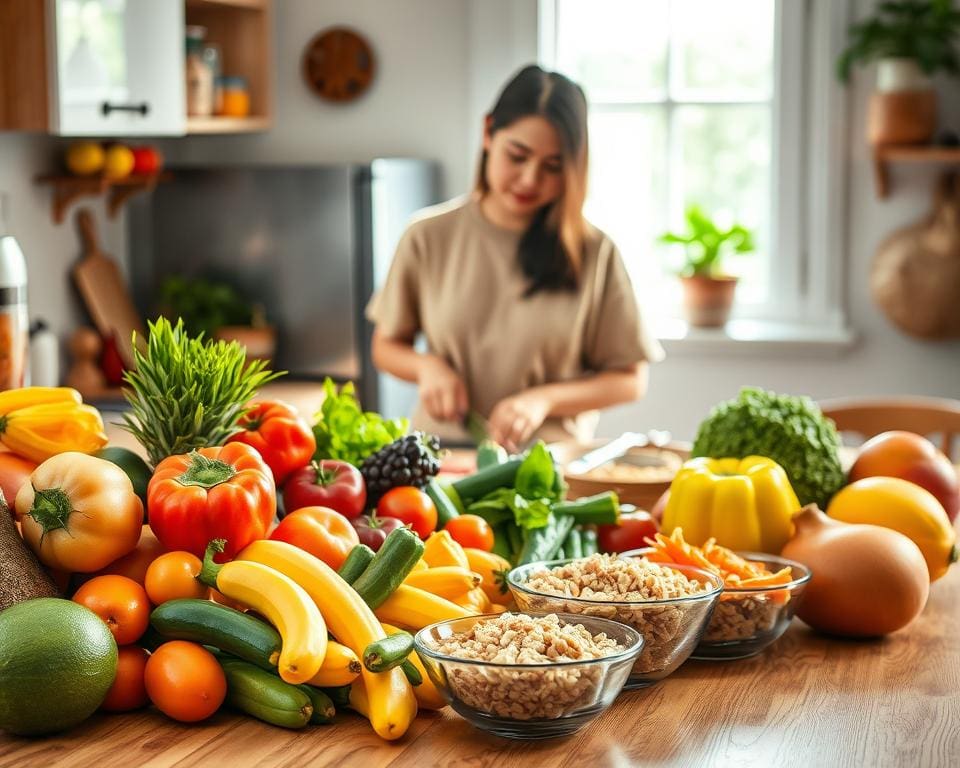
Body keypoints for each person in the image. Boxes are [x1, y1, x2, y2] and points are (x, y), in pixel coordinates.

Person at [366, 64, 663, 452]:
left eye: (552, 167)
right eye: (518, 155)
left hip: (551, 463)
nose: (529, 180)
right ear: (488, 132)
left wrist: (543, 399)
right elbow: (385, 346)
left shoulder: (595, 252)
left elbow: (631, 378)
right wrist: (428, 367)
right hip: (443, 455)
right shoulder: (426, 235)